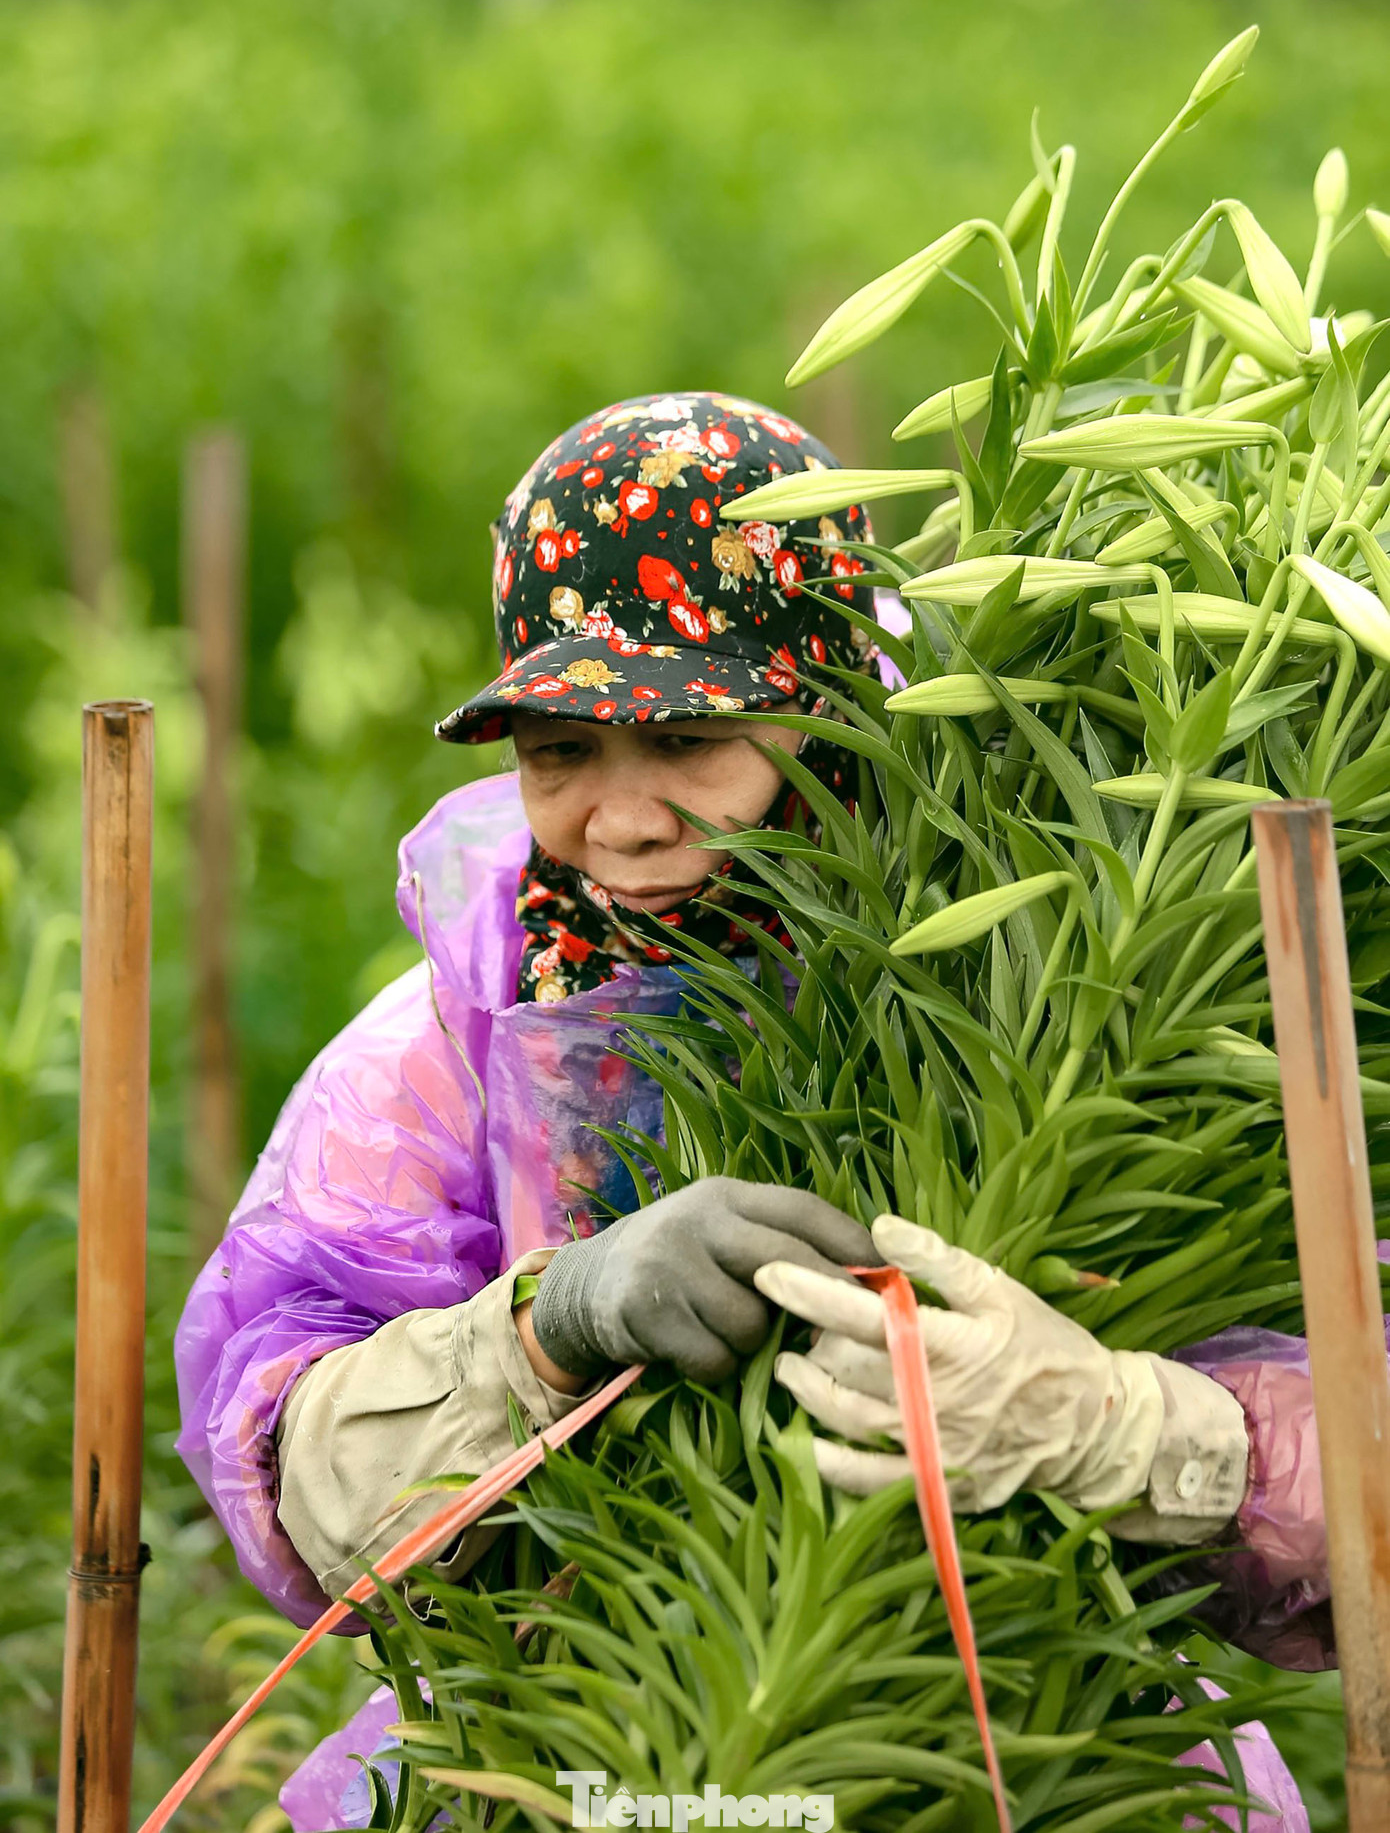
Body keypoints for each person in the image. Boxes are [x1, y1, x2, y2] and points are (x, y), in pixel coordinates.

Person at [175, 394, 1318, 1833]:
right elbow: (289, 1478)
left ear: (830, 718)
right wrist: (542, 1329)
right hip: (572, 1755)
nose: (623, 820)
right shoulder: (459, 1039)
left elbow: (1357, 1477)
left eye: (689, 737)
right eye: (558, 752)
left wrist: (1127, 1430)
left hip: (1024, 1759)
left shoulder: (1047, 995)